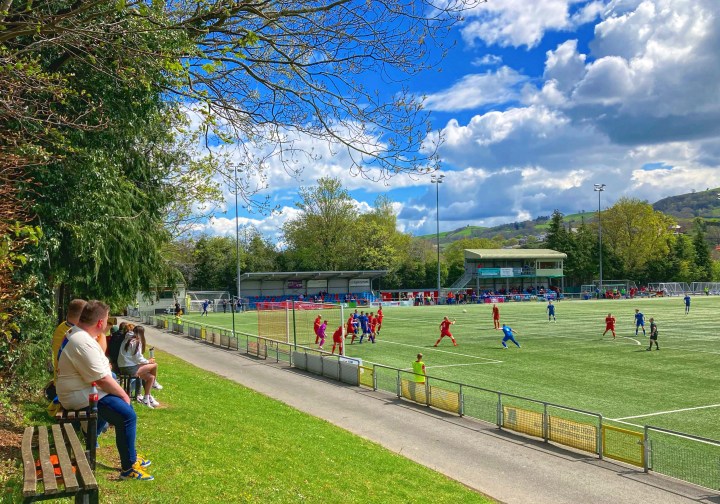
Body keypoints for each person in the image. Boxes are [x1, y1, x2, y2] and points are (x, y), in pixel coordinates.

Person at [56, 300, 154, 480]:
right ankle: (128, 468)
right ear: (100, 322)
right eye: (107, 320)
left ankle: (130, 455)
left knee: (124, 410)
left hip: (85, 390)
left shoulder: (81, 335)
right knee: (126, 415)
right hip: (79, 395)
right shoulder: (82, 340)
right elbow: (102, 379)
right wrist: (124, 394)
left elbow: (102, 367)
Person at [117, 326, 160, 408]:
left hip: (123, 366)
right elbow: (138, 357)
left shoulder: (126, 339)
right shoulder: (136, 341)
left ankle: (147, 398)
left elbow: (134, 358)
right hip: (129, 368)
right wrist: (148, 361)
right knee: (154, 365)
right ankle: (154, 383)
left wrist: (146, 362)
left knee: (150, 377)